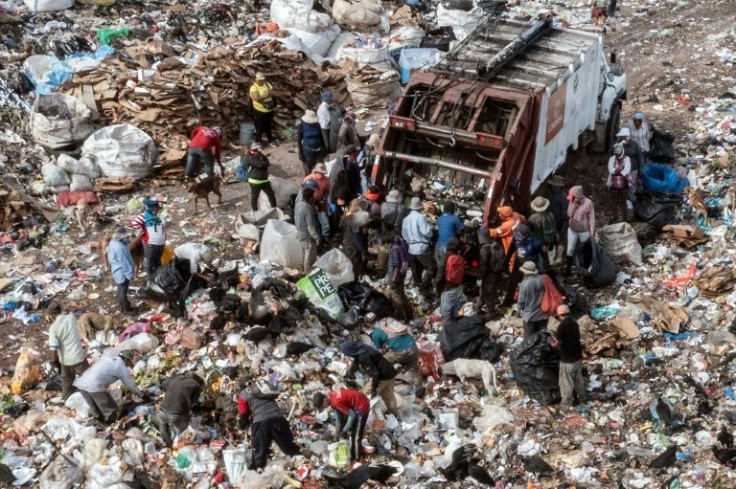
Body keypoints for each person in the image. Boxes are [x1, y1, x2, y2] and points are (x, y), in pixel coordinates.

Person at [237, 379, 301, 469]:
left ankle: (258, 474)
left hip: (261, 423)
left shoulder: (243, 394)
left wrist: (241, 425)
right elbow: (281, 387)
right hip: (278, 419)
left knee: (260, 452)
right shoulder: (262, 388)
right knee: (288, 446)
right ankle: (302, 463)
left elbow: (244, 414)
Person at [73, 350, 144, 423]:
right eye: (129, 363)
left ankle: (102, 428)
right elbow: (130, 385)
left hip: (81, 383)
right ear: (126, 360)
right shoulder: (121, 365)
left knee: (97, 412)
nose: (128, 365)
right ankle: (111, 427)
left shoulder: (108, 359)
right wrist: (142, 395)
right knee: (111, 410)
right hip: (94, 385)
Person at [340, 341, 398, 416]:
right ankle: (394, 413)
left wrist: (373, 388)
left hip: (382, 376)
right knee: (388, 395)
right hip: (390, 371)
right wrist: (351, 371)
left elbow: (375, 374)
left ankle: (363, 415)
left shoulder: (364, 356)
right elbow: (356, 361)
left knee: (364, 394)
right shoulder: (362, 348)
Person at [313, 389, 370, 461]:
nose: (325, 408)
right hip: (357, 403)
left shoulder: (336, 401)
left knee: (356, 436)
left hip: (362, 406)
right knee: (351, 430)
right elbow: (339, 419)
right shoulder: (331, 396)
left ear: (325, 400)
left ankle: (356, 459)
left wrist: (344, 430)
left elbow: (352, 415)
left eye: (323, 406)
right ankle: (357, 449)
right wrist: (337, 436)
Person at [151, 371, 205, 446]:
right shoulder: (197, 386)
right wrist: (187, 415)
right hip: (174, 415)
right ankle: (185, 445)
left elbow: (165, 385)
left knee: (162, 425)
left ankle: (169, 446)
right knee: (186, 431)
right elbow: (192, 403)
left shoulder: (178, 378)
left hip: (162, 410)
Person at [371, 321, 424, 397]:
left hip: (400, 351)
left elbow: (380, 351)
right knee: (414, 370)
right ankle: (419, 392)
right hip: (412, 345)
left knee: (382, 363)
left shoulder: (375, 334)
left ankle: (380, 387)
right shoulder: (391, 323)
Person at [551, 305, 586, 409]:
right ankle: (583, 398)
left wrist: (552, 343)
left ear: (560, 315)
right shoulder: (574, 323)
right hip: (578, 357)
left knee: (566, 383)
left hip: (567, 360)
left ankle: (566, 404)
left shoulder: (562, 326)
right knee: (578, 379)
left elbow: (557, 344)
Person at [490, 206, 526, 306]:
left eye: (500, 213)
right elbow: (523, 219)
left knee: (513, 274)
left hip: (512, 251)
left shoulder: (507, 225)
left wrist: (483, 228)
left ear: (504, 215)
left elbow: (494, 233)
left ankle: (515, 295)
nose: (498, 215)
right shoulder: (516, 216)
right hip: (519, 247)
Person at [402, 197, 436, 296]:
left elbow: (404, 235)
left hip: (411, 247)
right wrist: (431, 231)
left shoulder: (406, 219)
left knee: (416, 268)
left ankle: (418, 284)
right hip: (422, 247)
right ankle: (424, 287)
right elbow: (426, 232)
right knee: (431, 267)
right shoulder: (421, 217)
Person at [48, 314, 87, 400]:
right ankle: (91, 399)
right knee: (87, 379)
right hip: (78, 356)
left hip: (65, 360)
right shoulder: (71, 318)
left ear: (51, 313)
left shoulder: (53, 328)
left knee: (66, 381)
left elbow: (53, 347)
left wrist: (54, 362)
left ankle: (66, 400)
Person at [565, 186, 595, 276]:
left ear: (579, 195)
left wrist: (592, 231)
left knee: (586, 250)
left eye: (574, 196)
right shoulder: (572, 201)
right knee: (570, 249)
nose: (572, 198)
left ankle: (585, 269)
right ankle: (568, 270)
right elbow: (569, 214)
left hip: (584, 230)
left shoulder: (588, 203)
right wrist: (574, 205)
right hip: (572, 229)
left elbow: (592, 218)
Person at [434, 238, 466, 323]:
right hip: (459, 288)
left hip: (448, 290)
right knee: (458, 309)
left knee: (445, 313)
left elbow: (440, 275)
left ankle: (447, 332)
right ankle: (461, 324)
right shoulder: (459, 257)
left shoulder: (446, 257)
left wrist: (436, 286)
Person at [132, 199, 166, 276]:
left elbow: (134, 223)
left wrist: (142, 232)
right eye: (155, 209)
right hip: (156, 243)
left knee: (154, 261)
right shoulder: (151, 216)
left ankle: (154, 278)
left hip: (155, 243)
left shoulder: (151, 215)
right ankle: (155, 277)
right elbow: (134, 223)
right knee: (154, 261)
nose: (156, 210)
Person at [476, 226, 504, 318]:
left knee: (487, 292)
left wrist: (480, 276)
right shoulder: (495, 244)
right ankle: (479, 307)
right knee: (489, 291)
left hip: (488, 274)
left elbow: (483, 265)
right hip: (495, 273)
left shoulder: (484, 248)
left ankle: (490, 312)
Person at [108, 226, 136, 313]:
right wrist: (130, 274)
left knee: (120, 288)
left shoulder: (113, 242)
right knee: (123, 290)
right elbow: (125, 263)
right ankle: (125, 309)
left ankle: (125, 305)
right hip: (122, 272)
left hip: (116, 269)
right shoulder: (120, 248)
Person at [516, 261, 548, 338]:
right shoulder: (542, 279)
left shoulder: (525, 283)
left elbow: (521, 301)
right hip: (542, 314)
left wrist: (518, 311)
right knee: (543, 337)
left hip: (529, 316)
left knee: (529, 339)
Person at [244, 142, 277, 211]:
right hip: (255, 182)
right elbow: (260, 165)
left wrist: (263, 163)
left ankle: (275, 209)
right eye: (254, 149)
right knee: (255, 198)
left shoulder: (260, 154)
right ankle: (255, 213)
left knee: (271, 195)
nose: (256, 151)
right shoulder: (248, 157)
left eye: (256, 149)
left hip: (264, 180)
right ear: (250, 149)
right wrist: (263, 163)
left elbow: (267, 162)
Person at [386, 234, 412, 321]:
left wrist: (393, 279)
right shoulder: (401, 246)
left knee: (396, 298)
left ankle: (401, 318)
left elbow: (396, 266)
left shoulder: (394, 249)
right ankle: (409, 314)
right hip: (401, 276)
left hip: (396, 277)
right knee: (402, 295)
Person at [527, 196, 559, 266]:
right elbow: (554, 227)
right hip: (549, 239)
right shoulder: (550, 214)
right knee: (548, 259)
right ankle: (549, 268)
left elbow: (528, 229)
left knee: (540, 259)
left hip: (538, 241)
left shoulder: (533, 217)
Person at [295, 187, 321, 271]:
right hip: (306, 235)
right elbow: (311, 227)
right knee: (308, 254)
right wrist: (317, 237)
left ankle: (306, 268)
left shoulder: (298, 205)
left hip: (299, 232)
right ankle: (307, 271)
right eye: (312, 197)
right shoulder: (307, 209)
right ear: (310, 198)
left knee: (305, 252)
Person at [303, 163, 331, 239]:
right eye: (320, 173)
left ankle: (326, 238)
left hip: (321, 203)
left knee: (326, 223)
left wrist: (324, 199)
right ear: (315, 172)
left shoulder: (326, 180)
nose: (321, 175)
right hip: (310, 204)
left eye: (323, 173)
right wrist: (312, 202)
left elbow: (327, 191)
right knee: (313, 224)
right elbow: (303, 192)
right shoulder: (308, 179)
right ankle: (318, 239)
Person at [616, 127, 644, 202]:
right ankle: (623, 199)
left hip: (633, 169)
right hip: (623, 169)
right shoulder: (619, 145)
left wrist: (641, 169)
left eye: (624, 137)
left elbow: (640, 157)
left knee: (632, 186)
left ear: (628, 136)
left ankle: (631, 200)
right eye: (621, 137)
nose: (622, 138)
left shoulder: (635, 145)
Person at [544, 175, 568, 262]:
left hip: (560, 221)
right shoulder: (548, 193)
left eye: (556, 186)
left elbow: (565, 213)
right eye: (553, 185)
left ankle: (559, 256)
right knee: (551, 238)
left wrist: (559, 222)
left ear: (560, 187)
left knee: (560, 239)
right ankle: (551, 257)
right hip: (550, 219)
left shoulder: (563, 197)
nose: (554, 187)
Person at [340, 208, 368, 279]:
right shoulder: (357, 225)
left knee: (345, 266)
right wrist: (363, 251)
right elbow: (357, 239)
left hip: (346, 246)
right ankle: (351, 282)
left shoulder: (349, 218)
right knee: (353, 268)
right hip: (352, 249)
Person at [607, 142, 631, 223]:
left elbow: (626, 170)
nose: (617, 155)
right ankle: (615, 217)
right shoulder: (611, 159)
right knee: (614, 201)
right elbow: (610, 170)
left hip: (624, 184)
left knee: (623, 201)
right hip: (613, 184)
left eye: (618, 154)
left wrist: (616, 171)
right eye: (616, 154)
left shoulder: (627, 159)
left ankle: (625, 217)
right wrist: (619, 170)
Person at [249, 72, 275, 145]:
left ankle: (270, 139)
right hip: (259, 110)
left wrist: (263, 96)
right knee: (259, 126)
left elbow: (272, 92)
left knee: (268, 125)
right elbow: (257, 99)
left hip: (269, 109)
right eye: (259, 80)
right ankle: (258, 140)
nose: (261, 81)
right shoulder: (253, 87)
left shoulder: (267, 84)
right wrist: (266, 95)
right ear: (256, 79)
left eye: (262, 80)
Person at [297, 110, 326, 175]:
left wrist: (324, 149)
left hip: (319, 151)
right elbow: (299, 141)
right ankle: (308, 184)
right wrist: (300, 153)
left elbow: (321, 137)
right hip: (307, 152)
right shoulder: (302, 126)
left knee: (320, 171)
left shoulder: (317, 125)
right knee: (308, 172)